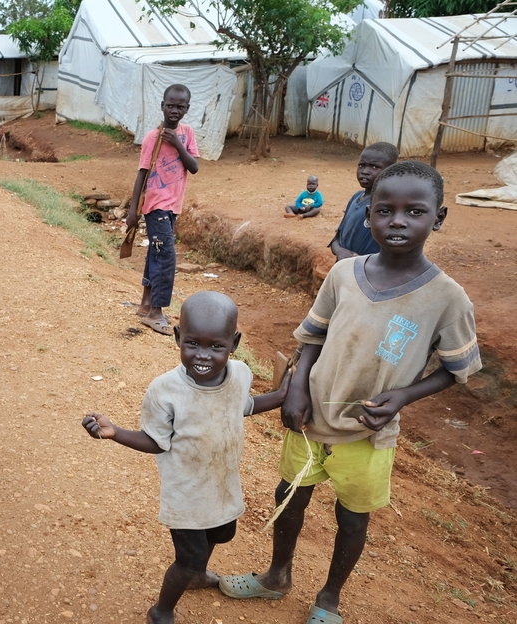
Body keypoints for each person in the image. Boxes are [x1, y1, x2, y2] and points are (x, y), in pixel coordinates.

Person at [218, 161, 481, 624]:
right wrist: (295, 387)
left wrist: (401, 398)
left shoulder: (448, 298)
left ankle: (330, 599)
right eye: (385, 210)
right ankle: (277, 576)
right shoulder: (344, 274)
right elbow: (311, 338)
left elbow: (456, 370)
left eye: (414, 211)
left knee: (352, 517)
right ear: (368, 215)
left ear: (437, 218)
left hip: (367, 431)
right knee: (289, 496)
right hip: (309, 417)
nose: (397, 221)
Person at [82, 291, 289, 624]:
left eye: (216, 346)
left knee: (222, 534)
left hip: (221, 484)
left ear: (233, 344)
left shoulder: (240, 375)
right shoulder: (165, 391)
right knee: (189, 558)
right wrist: (115, 432)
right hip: (187, 493)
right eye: (192, 344)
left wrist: (279, 396)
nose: (202, 355)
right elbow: (155, 441)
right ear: (178, 337)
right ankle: (161, 610)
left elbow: (244, 406)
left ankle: (197, 574)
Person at [126, 84, 199, 336]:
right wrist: (133, 210)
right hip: (155, 207)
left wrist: (177, 144)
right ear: (162, 106)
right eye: (170, 105)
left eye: (180, 106)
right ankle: (156, 313)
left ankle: (146, 304)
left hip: (173, 207)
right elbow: (141, 174)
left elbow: (194, 167)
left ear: (187, 109)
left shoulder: (187, 134)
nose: (174, 110)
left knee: (156, 255)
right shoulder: (151, 137)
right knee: (166, 258)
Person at [329, 142, 398, 261]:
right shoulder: (356, 197)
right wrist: (341, 251)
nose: (365, 171)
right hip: (344, 268)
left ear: (390, 171)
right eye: (361, 165)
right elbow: (337, 239)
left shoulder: (388, 207)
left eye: (374, 167)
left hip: (369, 274)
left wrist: (357, 260)